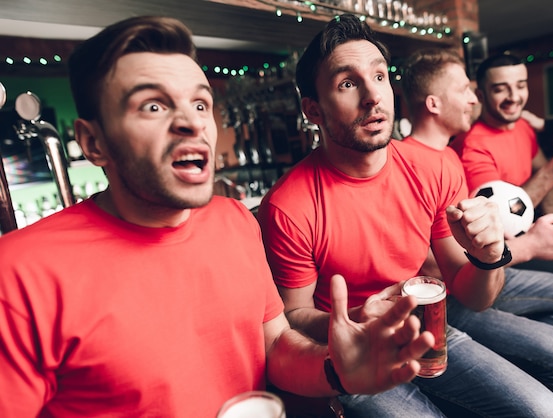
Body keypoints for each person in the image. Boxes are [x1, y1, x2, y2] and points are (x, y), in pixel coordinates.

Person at [0, 16, 439, 417]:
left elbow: (276, 347)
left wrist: (337, 370)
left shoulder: (235, 221)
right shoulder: (19, 272)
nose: (191, 124)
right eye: (153, 106)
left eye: (200, 104)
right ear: (92, 143)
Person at [258, 14, 553, 417]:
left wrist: (488, 255)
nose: (372, 96)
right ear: (314, 110)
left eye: (379, 77)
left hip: (428, 325)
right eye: (347, 83)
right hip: (355, 351)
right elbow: (292, 316)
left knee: (548, 411)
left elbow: (473, 296)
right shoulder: (288, 206)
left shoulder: (436, 166)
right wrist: (358, 316)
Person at [451, 53, 553, 314]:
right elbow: (500, 222)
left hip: (532, 232)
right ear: (480, 96)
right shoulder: (474, 146)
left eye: (520, 85)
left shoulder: (521, 127)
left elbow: (539, 167)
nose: (514, 97)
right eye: (500, 89)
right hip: (505, 254)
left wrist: (550, 220)